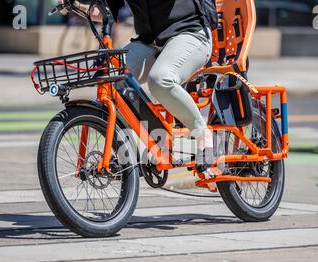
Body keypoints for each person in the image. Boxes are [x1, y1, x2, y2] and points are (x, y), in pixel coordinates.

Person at [59, 0, 216, 173]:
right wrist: (76, 6)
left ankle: (203, 135)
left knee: (160, 80)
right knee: (112, 77)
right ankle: (136, 149)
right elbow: (103, 11)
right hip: (149, 43)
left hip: (190, 34)